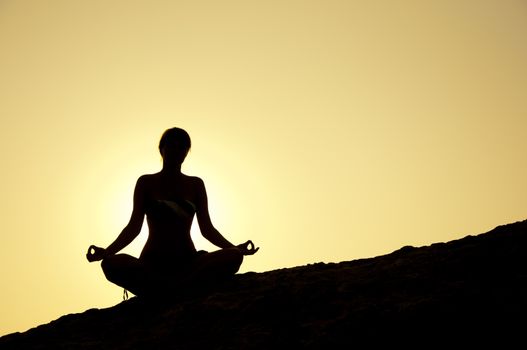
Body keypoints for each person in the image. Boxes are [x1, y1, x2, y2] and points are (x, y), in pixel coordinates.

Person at [86, 127, 259, 297]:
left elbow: (207, 229)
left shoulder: (195, 184)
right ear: (161, 149)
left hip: (188, 263)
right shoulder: (146, 182)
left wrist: (234, 248)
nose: (177, 150)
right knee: (111, 263)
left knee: (233, 256)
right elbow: (133, 227)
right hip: (151, 265)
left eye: (182, 147)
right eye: (172, 145)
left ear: (187, 152)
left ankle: (169, 291)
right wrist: (107, 252)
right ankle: (172, 289)